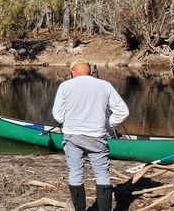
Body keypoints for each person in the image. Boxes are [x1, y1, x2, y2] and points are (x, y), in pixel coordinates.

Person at [52, 59, 129, 211]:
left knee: (75, 172)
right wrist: (108, 123)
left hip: (72, 135)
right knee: (102, 173)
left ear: (72, 72)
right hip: (96, 135)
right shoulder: (104, 85)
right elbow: (122, 111)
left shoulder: (65, 86)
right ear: (90, 71)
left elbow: (58, 116)